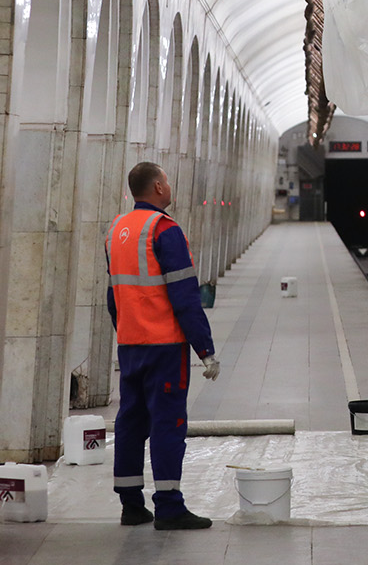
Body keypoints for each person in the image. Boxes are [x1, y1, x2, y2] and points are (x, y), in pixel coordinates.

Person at [105, 161, 220, 529]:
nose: (169, 186)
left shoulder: (116, 230)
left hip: (130, 344)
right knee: (168, 423)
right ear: (157, 187)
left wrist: (126, 330)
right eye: (166, 181)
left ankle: (131, 505)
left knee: (130, 420)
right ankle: (169, 507)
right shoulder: (164, 230)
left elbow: (113, 296)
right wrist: (205, 350)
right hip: (165, 347)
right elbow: (185, 296)